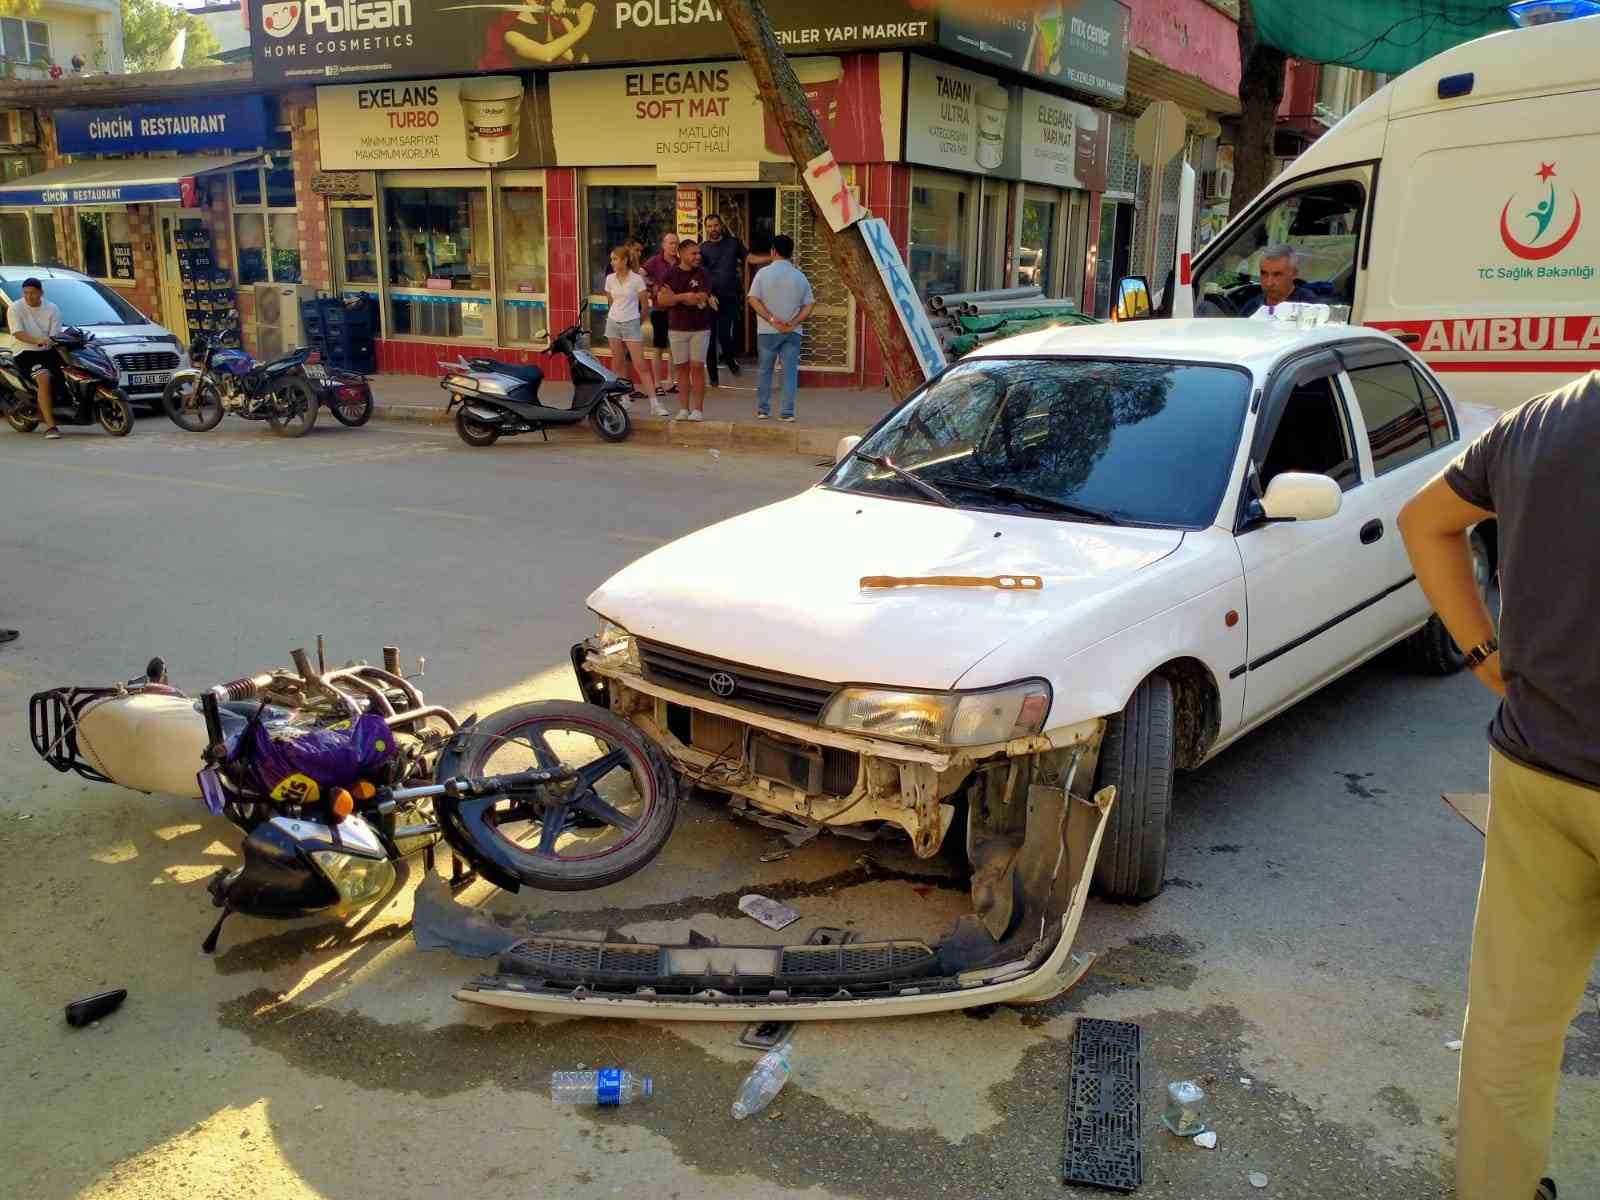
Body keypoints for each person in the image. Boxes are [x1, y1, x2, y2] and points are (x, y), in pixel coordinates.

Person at [1398, 372, 1600, 1200]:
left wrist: (1486, 656)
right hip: (1540, 759)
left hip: (1538, 766)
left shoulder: (1543, 421)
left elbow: (1424, 521)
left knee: (1512, 1027)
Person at [746, 234, 813, 422]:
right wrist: (793, 322)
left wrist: (771, 319)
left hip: (767, 332)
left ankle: (763, 410)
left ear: (773, 251)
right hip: (792, 332)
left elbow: (752, 299)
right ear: (790, 253)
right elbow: (809, 304)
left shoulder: (763, 274)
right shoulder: (800, 276)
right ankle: (787, 412)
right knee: (789, 372)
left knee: (765, 370)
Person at [697, 214, 767, 386]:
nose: (713, 229)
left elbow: (749, 258)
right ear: (706, 228)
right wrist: (708, 295)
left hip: (729, 297)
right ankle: (713, 377)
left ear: (721, 225)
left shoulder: (733, 243)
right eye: (710, 226)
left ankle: (729, 359)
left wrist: (772, 258)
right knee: (710, 338)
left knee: (725, 335)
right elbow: (701, 275)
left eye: (715, 225)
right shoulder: (703, 248)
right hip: (711, 299)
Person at [657, 238, 715, 422]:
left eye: (698, 253)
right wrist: (685, 296)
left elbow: (702, 296)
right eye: (694, 253)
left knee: (697, 367)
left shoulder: (703, 273)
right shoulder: (670, 274)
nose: (698, 256)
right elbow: (662, 300)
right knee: (681, 368)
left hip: (700, 328)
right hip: (677, 328)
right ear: (682, 255)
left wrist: (677, 297)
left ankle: (698, 410)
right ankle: (683, 409)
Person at [8, 277, 63, 439]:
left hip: (48, 351)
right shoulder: (15, 308)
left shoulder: (52, 308)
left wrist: (51, 342)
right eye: (26, 293)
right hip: (25, 352)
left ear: (41, 293)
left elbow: (55, 335)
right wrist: (38, 340)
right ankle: (51, 427)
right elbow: (18, 333)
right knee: (44, 378)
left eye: (33, 293)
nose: (29, 296)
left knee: (69, 373)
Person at [602, 246, 656, 410]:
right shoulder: (610, 279)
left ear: (625, 260)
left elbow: (645, 306)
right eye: (611, 259)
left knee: (640, 364)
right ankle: (623, 398)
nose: (612, 262)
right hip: (613, 322)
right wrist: (613, 316)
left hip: (631, 322)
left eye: (615, 259)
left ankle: (655, 403)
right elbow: (610, 301)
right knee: (617, 362)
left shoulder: (636, 279)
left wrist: (637, 322)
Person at [641, 232, 680, 411]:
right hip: (659, 310)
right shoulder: (655, 261)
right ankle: (657, 383)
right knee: (658, 347)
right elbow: (640, 274)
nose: (673, 246)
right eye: (670, 243)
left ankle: (671, 381)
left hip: (677, 309)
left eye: (675, 243)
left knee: (674, 347)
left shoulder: (680, 262)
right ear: (663, 245)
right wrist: (651, 287)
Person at [1238, 244, 1319, 316]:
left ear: (1294, 274)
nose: (1269, 283)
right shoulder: (1252, 307)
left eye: (1277, 275)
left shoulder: (1310, 306)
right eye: (1264, 273)